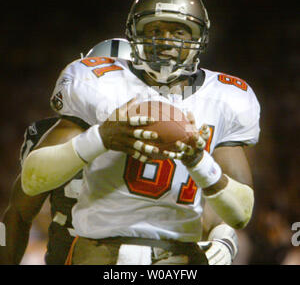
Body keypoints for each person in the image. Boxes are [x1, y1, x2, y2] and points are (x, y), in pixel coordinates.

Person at [20, 0, 260, 265]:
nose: (166, 41)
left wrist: (198, 161)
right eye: (155, 30)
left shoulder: (226, 96)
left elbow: (241, 212)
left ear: (199, 37)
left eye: (178, 31)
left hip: (178, 255)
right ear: (134, 33)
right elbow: (32, 180)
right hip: (100, 251)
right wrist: (101, 137)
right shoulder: (98, 81)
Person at [0, 37, 238, 265]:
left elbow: (204, 212)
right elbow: (17, 214)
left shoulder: (166, 137)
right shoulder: (55, 135)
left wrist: (225, 236)